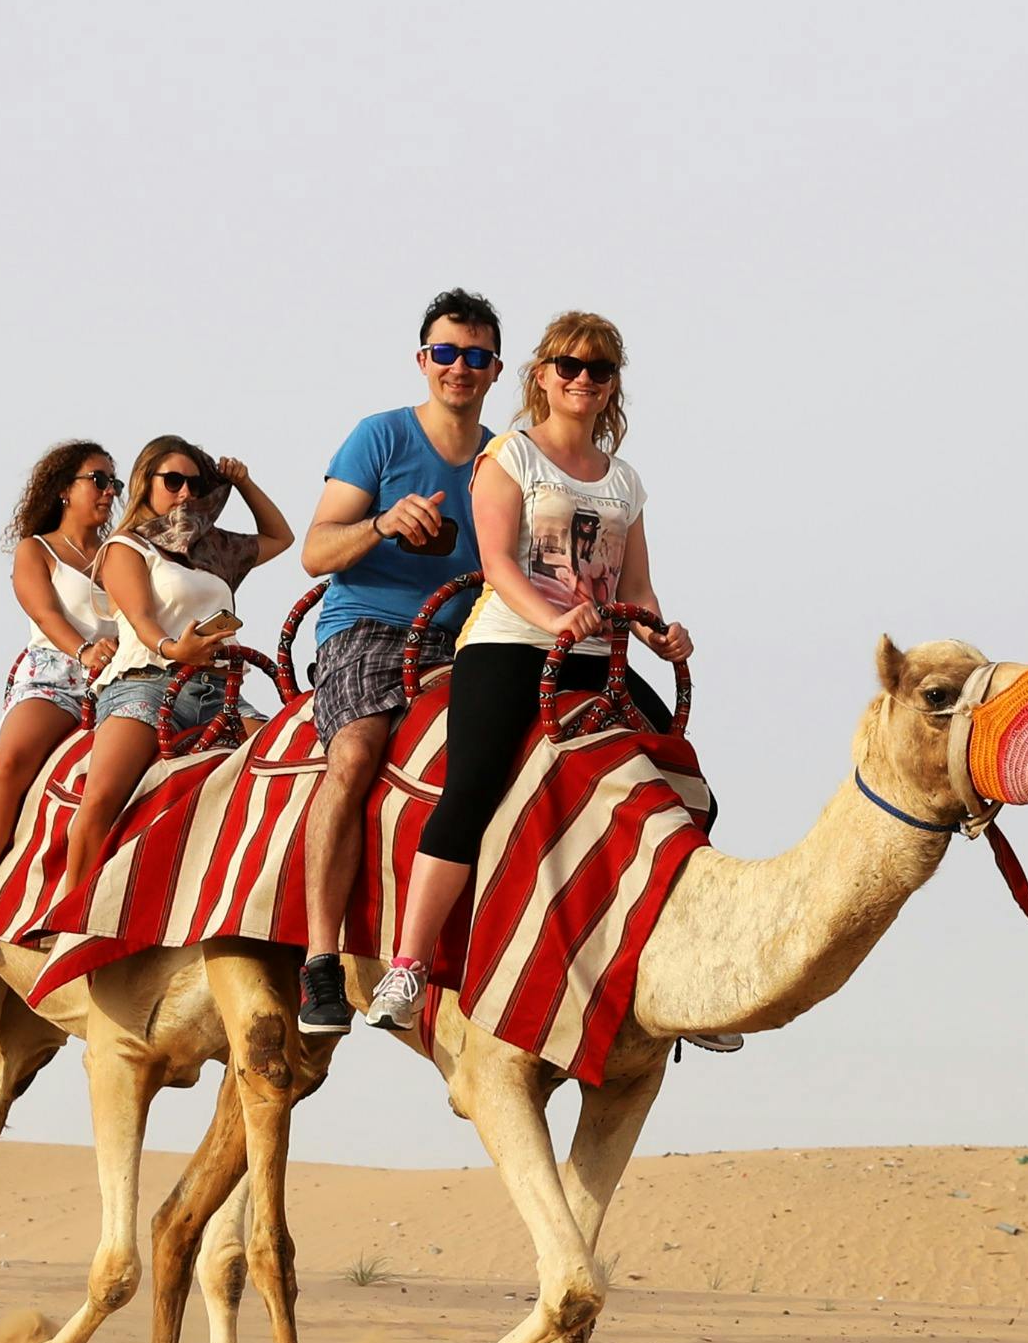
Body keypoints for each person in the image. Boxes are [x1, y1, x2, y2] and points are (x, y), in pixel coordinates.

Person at [365, 311, 697, 1035]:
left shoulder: (626, 482)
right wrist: (552, 621)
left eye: (599, 369)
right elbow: (499, 567)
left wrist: (661, 634)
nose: (582, 379)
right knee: (473, 783)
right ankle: (409, 965)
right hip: (512, 642)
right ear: (541, 375)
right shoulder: (511, 457)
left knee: (681, 782)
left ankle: (681, 971)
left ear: (613, 387)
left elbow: (635, 587)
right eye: (569, 366)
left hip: (595, 657)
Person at [291, 287, 502, 1029]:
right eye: (446, 353)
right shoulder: (379, 437)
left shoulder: (505, 461)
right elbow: (316, 551)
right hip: (370, 628)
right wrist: (381, 523)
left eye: (475, 356)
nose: (459, 368)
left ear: (496, 370)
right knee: (353, 756)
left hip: (472, 634)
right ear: (423, 360)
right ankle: (321, 961)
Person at [53, 440, 290, 912]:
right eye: (173, 481)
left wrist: (243, 482)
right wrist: (172, 648)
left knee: (286, 769)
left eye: (195, 484)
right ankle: (70, 916)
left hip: (220, 689)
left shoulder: (217, 550)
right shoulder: (128, 545)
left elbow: (281, 538)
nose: (184, 494)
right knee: (102, 796)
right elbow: (141, 619)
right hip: (146, 679)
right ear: (147, 484)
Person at [0, 442, 124, 950]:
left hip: (124, 680)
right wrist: (84, 651)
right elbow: (46, 615)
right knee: (11, 760)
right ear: (65, 489)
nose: (109, 492)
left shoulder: (124, 551)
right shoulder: (37, 550)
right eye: (97, 480)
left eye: (114, 483)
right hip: (58, 673)